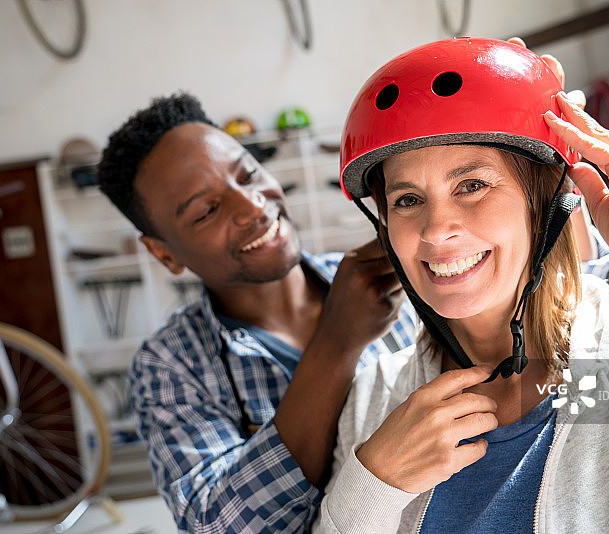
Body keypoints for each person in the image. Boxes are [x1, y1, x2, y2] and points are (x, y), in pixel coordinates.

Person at [316, 38, 609, 533]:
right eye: (407, 200)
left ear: (545, 203)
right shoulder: (376, 395)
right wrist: (373, 485)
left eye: (471, 185)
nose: (435, 231)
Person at [96, 93, 419, 533]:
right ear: (163, 253)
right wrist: (336, 343)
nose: (252, 206)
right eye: (207, 210)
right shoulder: (170, 366)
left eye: (247, 174)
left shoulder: (384, 278)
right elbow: (216, 525)